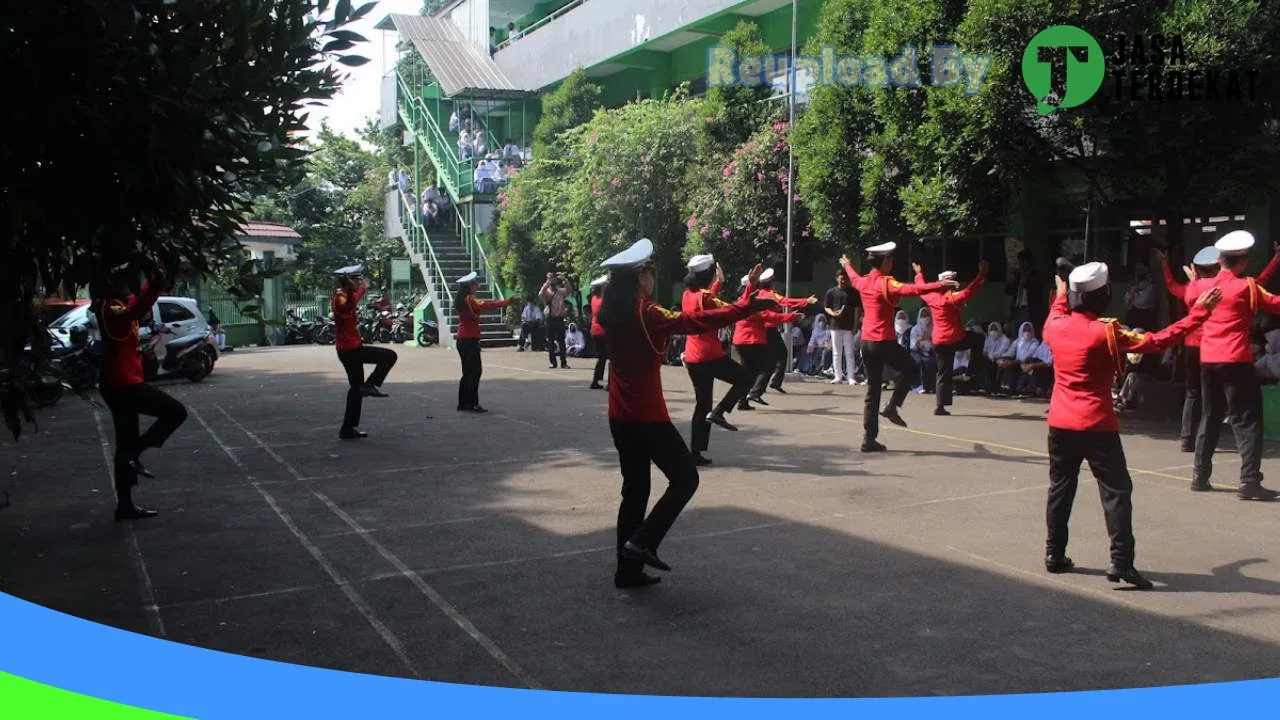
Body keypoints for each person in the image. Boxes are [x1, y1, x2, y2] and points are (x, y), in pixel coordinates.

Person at [597, 239, 777, 589]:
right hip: (648, 416)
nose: (652, 277)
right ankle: (643, 542)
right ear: (639, 279)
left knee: (634, 491)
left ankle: (626, 568)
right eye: (648, 272)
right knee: (686, 479)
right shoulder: (647, 313)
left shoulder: (611, 313)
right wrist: (745, 307)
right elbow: (695, 321)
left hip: (619, 415)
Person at [1043, 261, 1222, 589]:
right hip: (1097, 422)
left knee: (1060, 486)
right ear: (1104, 295)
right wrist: (1199, 314)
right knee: (1116, 491)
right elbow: (1157, 341)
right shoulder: (1106, 331)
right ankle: (1121, 561)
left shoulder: (1054, 325)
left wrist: (1062, 287)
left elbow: (1058, 305)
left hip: (1060, 421)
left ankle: (1054, 553)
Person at [91, 262, 188, 521]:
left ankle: (125, 505)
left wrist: (156, 280)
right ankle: (137, 451)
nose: (128, 286)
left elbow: (136, 302)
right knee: (175, 412)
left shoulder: (114, 305)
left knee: (124, 444)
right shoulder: (111, 307)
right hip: (124, 384)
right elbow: (135, 309)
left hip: (118, 382)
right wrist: (155, 282)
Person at [1159, 243, 1279, 452]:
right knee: (1241, 412)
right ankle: (1247, 473)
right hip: (1225, 352)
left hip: (1195, 349)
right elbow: (1261, 284)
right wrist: (1276, 259)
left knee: (1195, 396)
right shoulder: (1242, 286)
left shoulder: (1193, 288)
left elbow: (1172, 286)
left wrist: (1166, 266)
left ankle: (1188, 440)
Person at [841, 243, 957, 452]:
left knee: (872, 390)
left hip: (866, 342)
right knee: (912, 370)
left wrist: (848, 265)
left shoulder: (865, 281)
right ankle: (893, 406)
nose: (892, 263)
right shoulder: (885, 282)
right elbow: (912, 289)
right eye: (891, 260)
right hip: (882, 340)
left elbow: (854, 278)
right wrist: (939, 286)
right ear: (885, 262)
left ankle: (869, 439)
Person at [1193, 231, 1280, 500]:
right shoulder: (1247, 287)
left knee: (1210, 416)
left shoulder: (1199, 286)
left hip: (1208, 359)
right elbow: (1275, 304)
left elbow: (1189, 303)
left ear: (1220, 260)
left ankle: (1200, 475)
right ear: (1242, 262)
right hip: (1236, 359)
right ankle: (1249, 480)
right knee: (1247, 420)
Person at [681, 255, 759, 467]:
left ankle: (695, 452)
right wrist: (750, 286)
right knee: (746, 378)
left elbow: (706, 301)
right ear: (707, 274)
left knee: (702, 403)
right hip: (709, 356)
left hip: (693, 357)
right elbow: (734, 310)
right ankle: (720, 411)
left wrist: (719, 282)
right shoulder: (705, 297)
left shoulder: (688, 295)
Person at [331, 265, 398, 439]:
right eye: (357, 280)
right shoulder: (340, 297)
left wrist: (361, 289)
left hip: (352, 348)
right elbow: (347, 307)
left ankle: (347, 428)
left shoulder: (347, 295)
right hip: (349, 350)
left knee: (356, 390)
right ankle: (370, 384)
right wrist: (361, 289)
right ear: (349, 281)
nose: (360, 283)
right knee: (389, 356)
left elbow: (355, 298)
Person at [455, 273, 516, 413]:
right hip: (469, 340)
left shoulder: (462, 299)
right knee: (475, 372)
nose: (477, 285)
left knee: (467, 372)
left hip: (462, 338)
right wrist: (506, 302)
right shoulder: (470, 300)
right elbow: (489, 304)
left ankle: (463, 403)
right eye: (475, 283)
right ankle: (472, 403)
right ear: (469, 287)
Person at [753, 269, 817, 397]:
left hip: (762, 329)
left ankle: (761, 387)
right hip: (770, 328)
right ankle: (768, 385)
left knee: (770, 360)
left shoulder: (759, 293)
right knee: (781, 355)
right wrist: (805, 301)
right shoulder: (771, 295)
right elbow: (785, 301)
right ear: (771, 283)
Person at [824, 270, 859, 385]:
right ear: (836, 278)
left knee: (849, 352)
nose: (843, 280)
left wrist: (855, 325)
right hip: (835, 325)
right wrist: (833, 313)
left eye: (845, 278)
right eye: (841, 278)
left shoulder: (853, 292)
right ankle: (838, 376)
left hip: (849, 326)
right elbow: (826, 307)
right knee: (836, 352)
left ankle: (851, 377)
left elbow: (857, 309)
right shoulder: (831, 292)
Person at [540, 272, 571, 369]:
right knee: (551, 341)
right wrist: (547, 283)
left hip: (560, 318)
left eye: (552, 278)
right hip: (550, 318)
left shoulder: (560, 291)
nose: (552, 280)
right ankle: (553, 362)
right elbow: (541, 294)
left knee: (561, 341)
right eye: (549, 278)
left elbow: (569, 291)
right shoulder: (547, 292)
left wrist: (564, 280)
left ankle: (563, 363)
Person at [589, 275, 609, 389]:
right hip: (604, 330)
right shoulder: (604, 300)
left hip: (595, 330)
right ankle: (611, 384)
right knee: (611, 357)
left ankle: (595, 380)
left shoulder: (594, 299)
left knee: (601, 357)